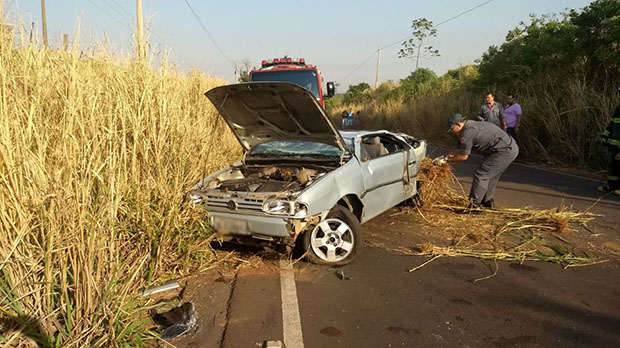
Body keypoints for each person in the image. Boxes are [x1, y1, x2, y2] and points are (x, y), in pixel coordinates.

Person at [434, 113, 519, 208]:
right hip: (509, 147)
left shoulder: (467, 133)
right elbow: (460, 149)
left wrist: (447, 160)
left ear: (458, 125)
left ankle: (474, 206)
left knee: (481, 174)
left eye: (452, 129)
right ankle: (487, 202)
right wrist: (445, 157)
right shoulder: (469, 125)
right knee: (491, 175)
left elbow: (463, 156)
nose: (452, 132)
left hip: (504, 150)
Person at [599, 87, 620, 195]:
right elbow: (612, 124)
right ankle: (611, 186)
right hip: (614, 143)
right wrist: (605, 136)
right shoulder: (618, 109)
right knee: (613, 167)